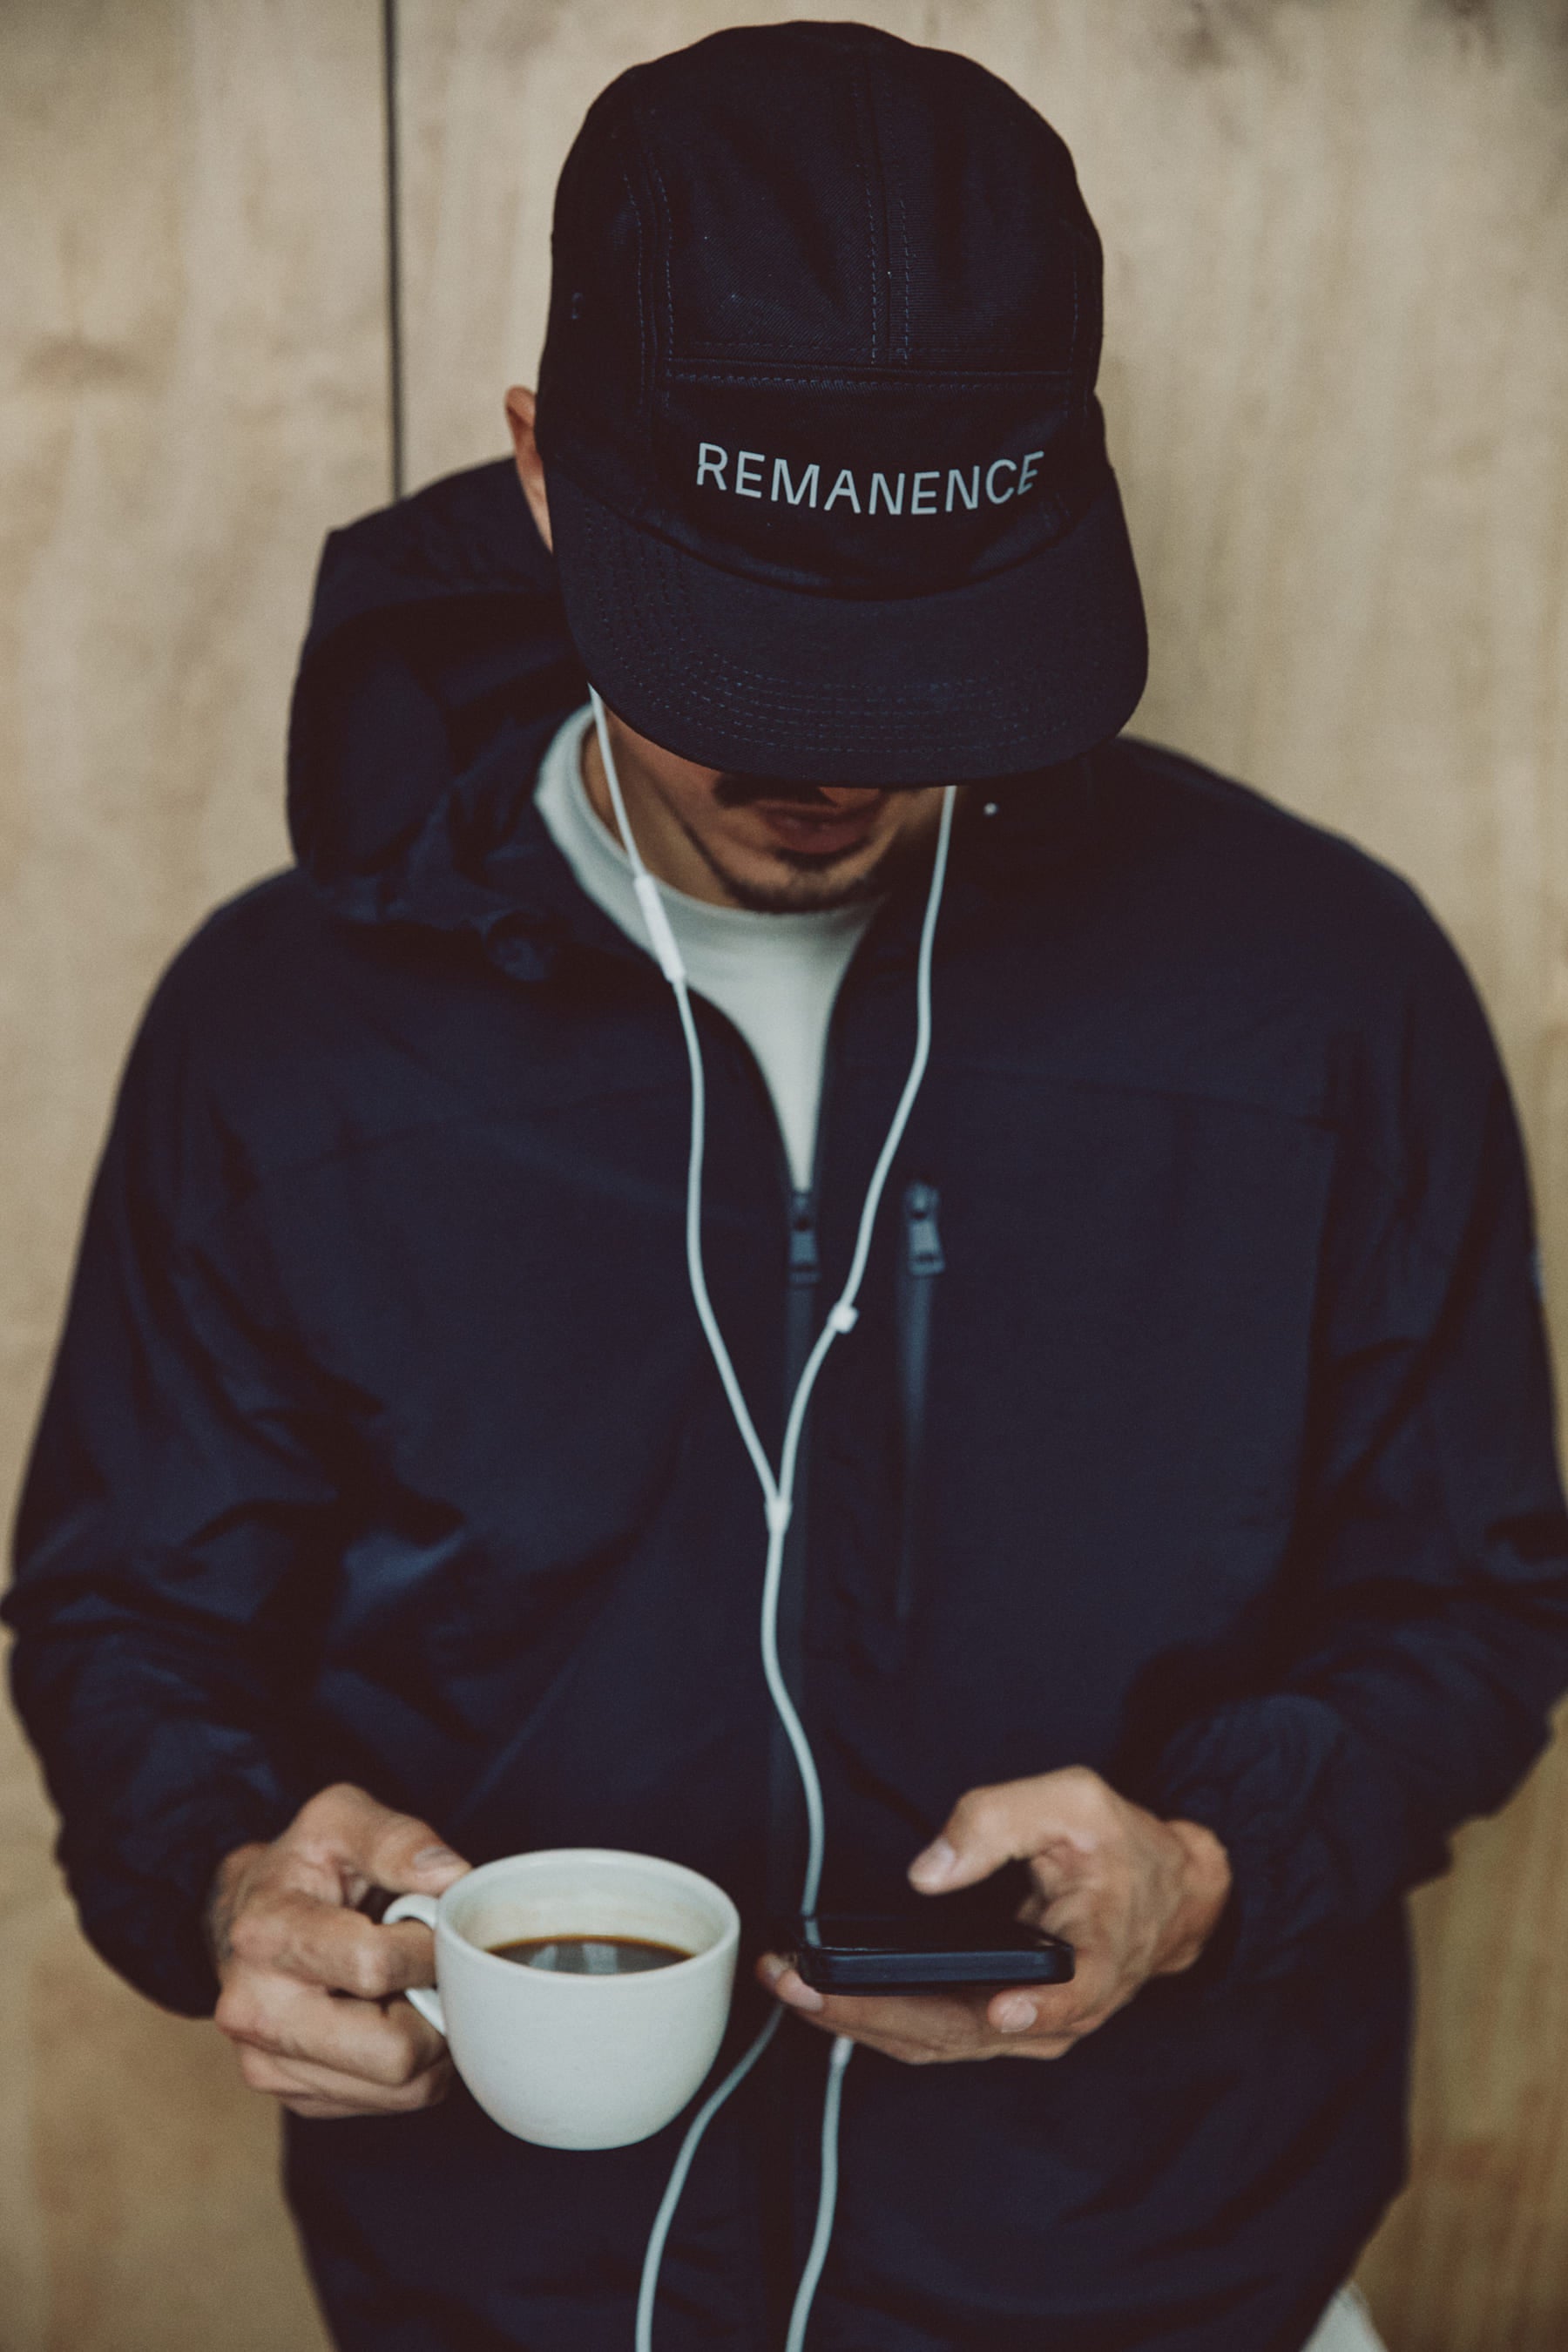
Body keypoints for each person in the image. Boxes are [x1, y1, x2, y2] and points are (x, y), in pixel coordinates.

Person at [8, 21, 1568, 2352]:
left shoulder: (1321, 996)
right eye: (743, 649)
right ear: (546, 476)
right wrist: (229, 1872)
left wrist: (1209, 1864)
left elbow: (1473, 1596)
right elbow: (127, 1616)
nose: (823, 754)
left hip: (1176, 2281)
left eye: (912, 659)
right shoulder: (287, 1030)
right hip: (512, 2294)